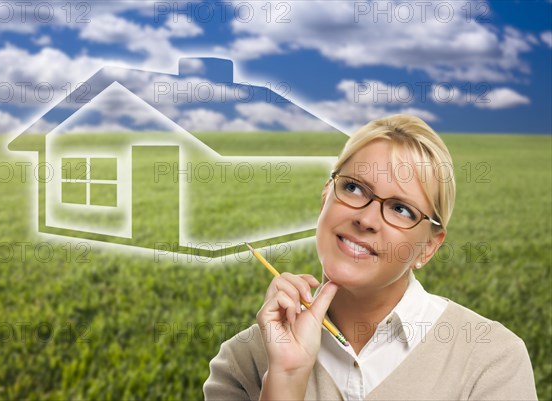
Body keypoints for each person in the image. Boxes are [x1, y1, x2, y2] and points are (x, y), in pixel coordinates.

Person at [203, 115, 537, 401]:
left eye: (400, 209)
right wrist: (286, 380)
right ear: (325, 199)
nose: (366, 219)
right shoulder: (243, 361)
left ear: (428, 247)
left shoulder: (491, 359)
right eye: (354, 188)